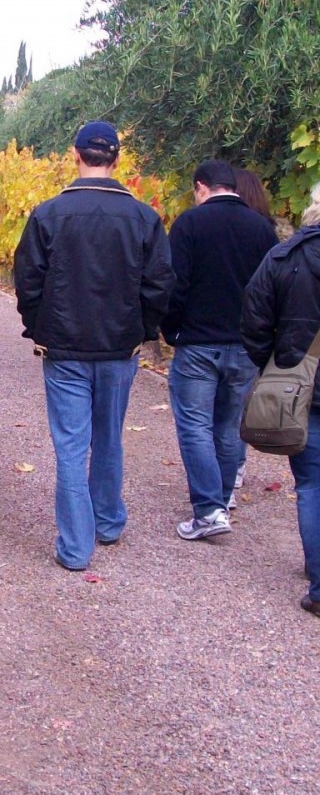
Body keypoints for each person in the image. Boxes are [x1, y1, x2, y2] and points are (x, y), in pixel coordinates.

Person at [13, 121, 174, 570]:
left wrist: (39, 326)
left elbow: (27, 281)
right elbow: (160, 284)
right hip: (119, 348)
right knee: (108, 438)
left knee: (70, 446)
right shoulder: (143, 218)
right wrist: (141, 329)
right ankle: (106, 521)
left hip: (64, 349)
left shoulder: (48, 215)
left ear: (75, 155)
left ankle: (76, 548)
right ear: (117, 160)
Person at [162, 160, 278, 540]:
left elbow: (175, 285)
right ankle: (223, 501)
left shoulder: (189, 225)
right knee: (229, 428)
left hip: (197, 343)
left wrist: (170, 329)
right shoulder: (262, 229)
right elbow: (271, 290)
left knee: (195, 426)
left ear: (201, 187)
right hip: (244, 344)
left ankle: (209, 510)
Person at [241, 189, 320, 615]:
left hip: (300, 389)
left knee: (311, 485)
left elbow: (253, 319)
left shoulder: (285, 257)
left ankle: (319, 580)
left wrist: (275, 366)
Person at [230, 167, 276, 499]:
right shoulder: (266, 232)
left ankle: (220, 483)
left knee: (210, 415)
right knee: (238, 407)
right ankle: (235, 471)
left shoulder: (203, 224)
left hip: (209, 333)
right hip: (250, 334)